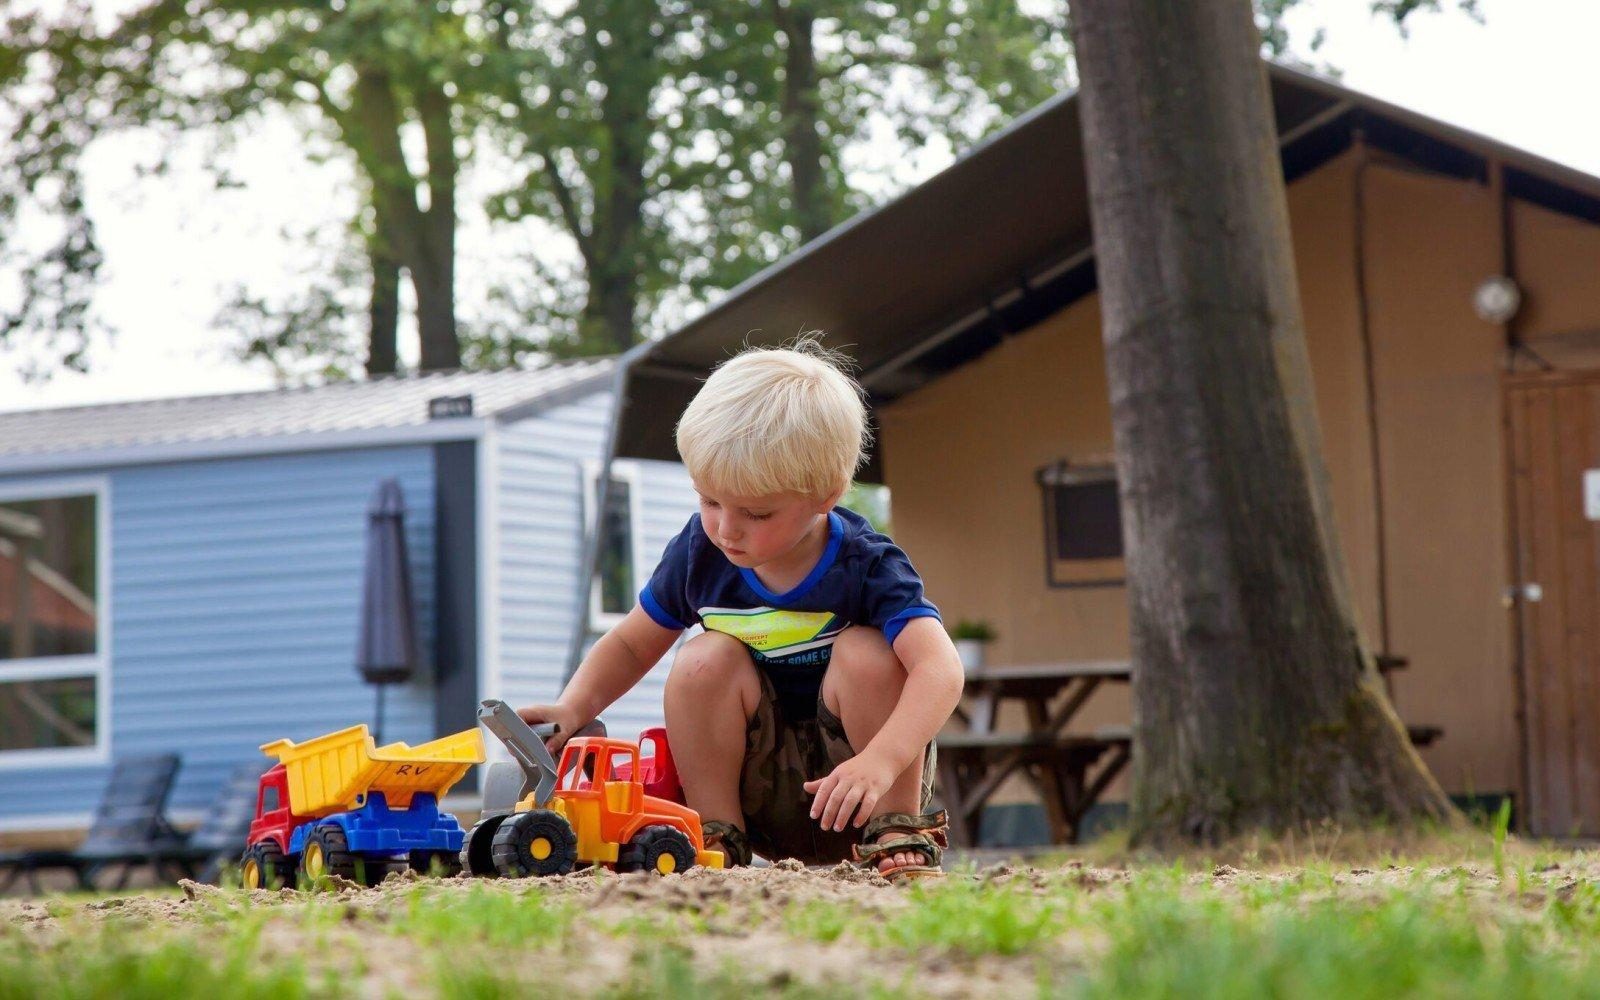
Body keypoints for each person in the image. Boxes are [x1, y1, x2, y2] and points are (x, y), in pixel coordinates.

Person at [518, 338, 965, 880]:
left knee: (869, 649)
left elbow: (940, 669)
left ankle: (898, 828)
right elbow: (634, 642)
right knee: (703, 654)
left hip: (862, 790)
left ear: (824, 495)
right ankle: (716, 834)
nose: (726, 529)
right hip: (756, 791)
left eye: (755, 512)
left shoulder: (867, 565)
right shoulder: (699, 555)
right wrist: (573, 706)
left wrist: (882, 760)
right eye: (708, 500)